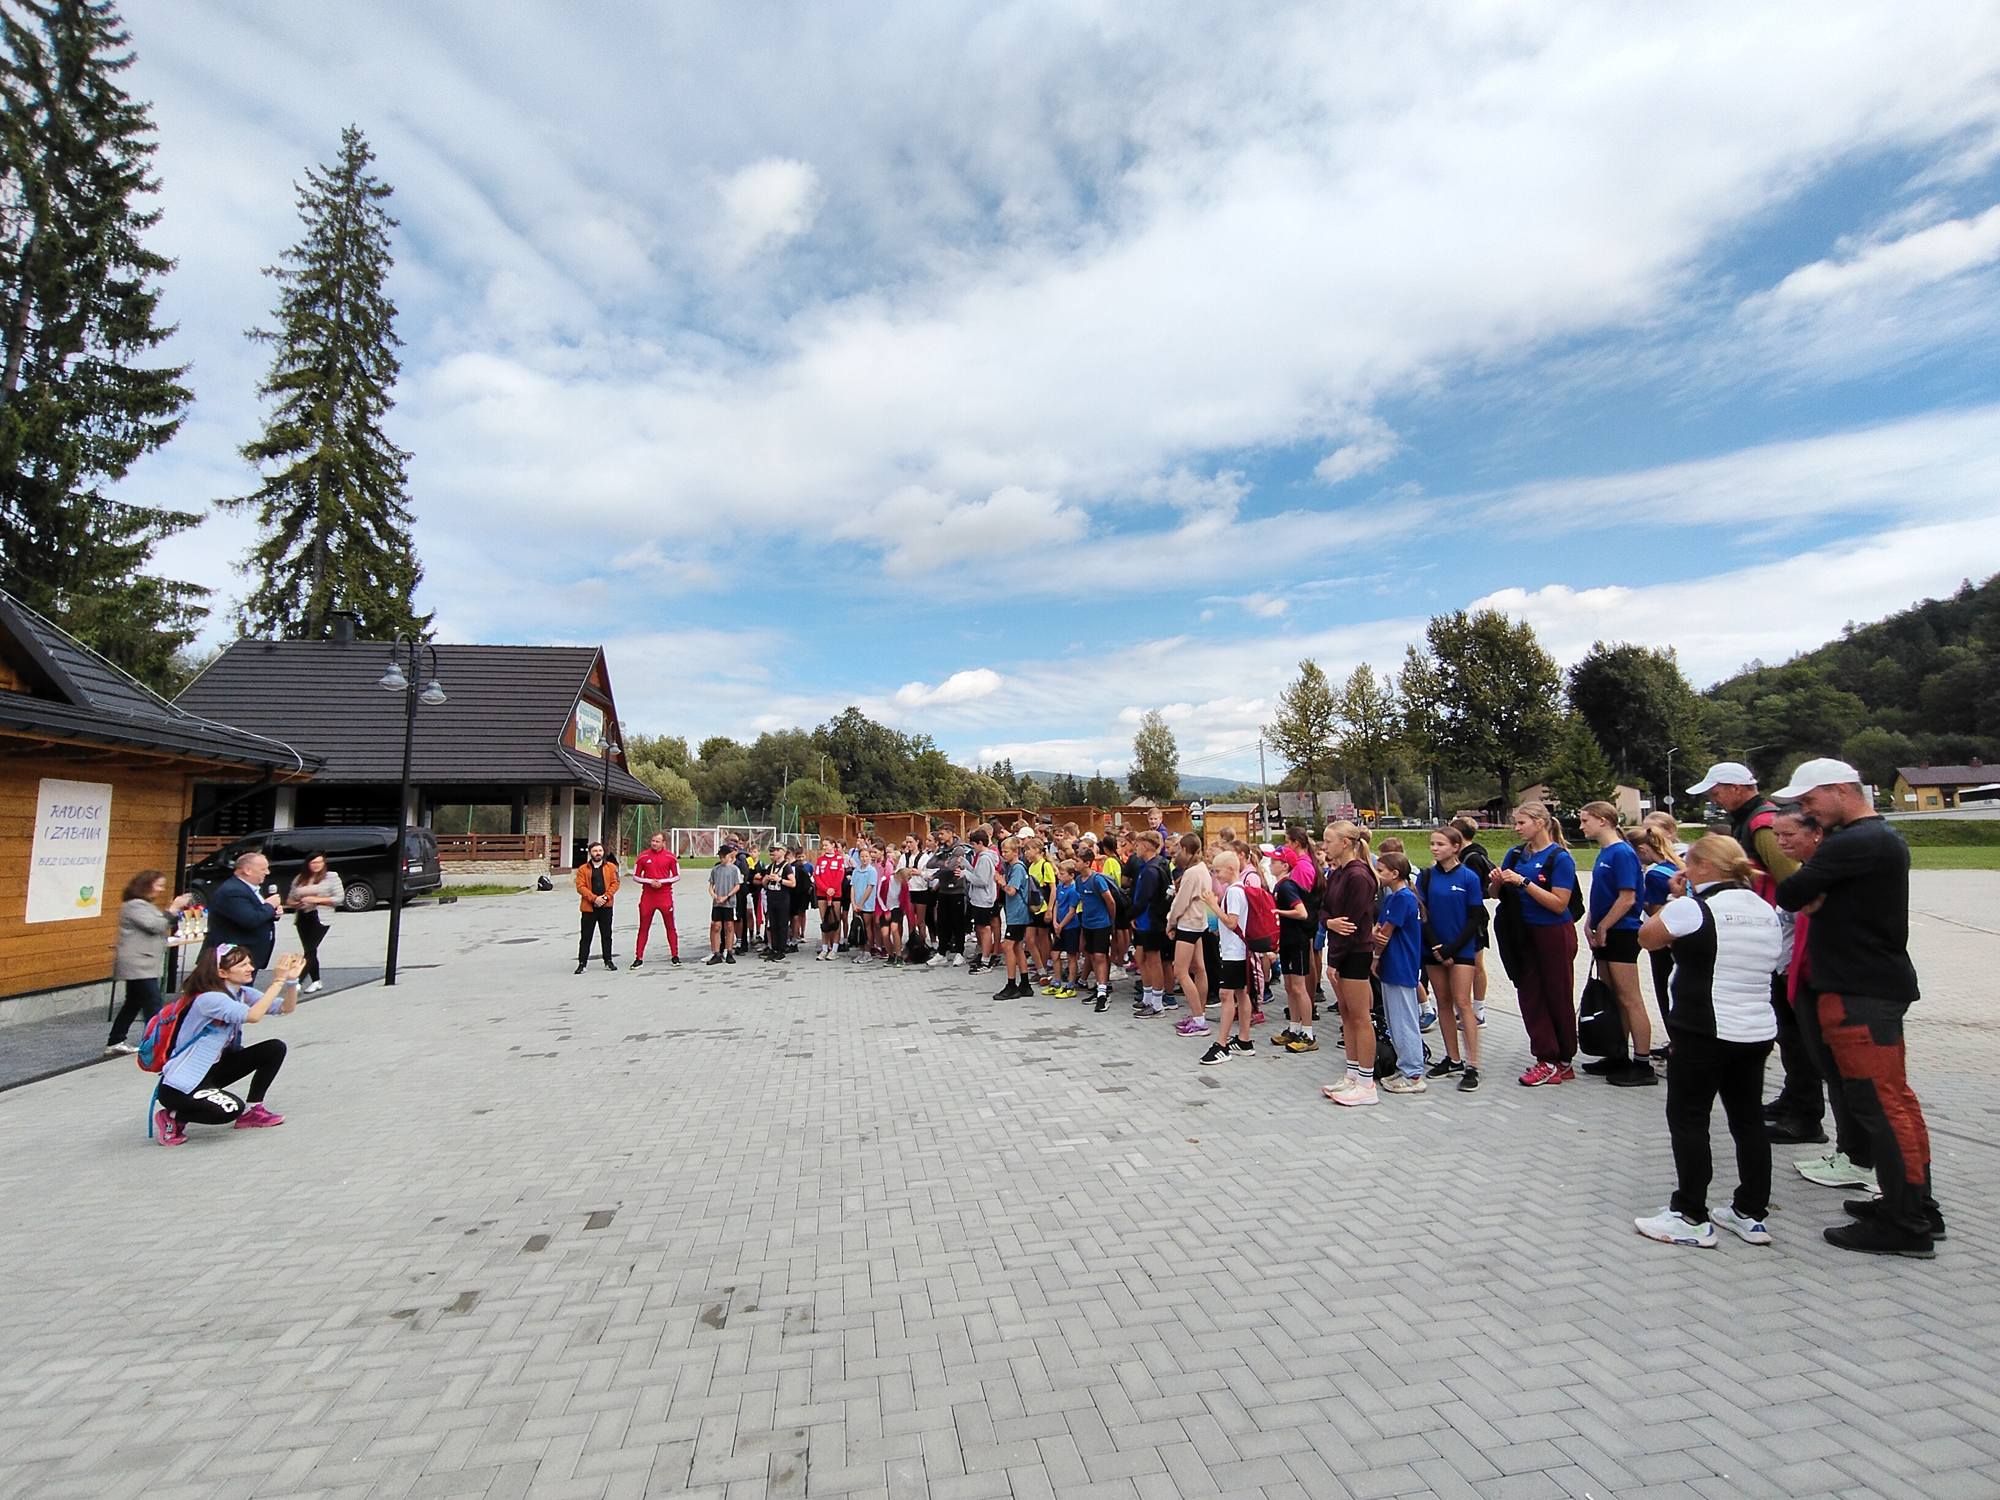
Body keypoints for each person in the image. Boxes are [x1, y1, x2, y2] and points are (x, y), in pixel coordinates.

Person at [1772, 758, 1944, 1256]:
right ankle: (1915, 1206)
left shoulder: (1854, 841)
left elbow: (1790, 892)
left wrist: (1813, 889)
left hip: (1858, 992)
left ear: (1841, 790)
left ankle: (1905, 1222)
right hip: (1872, 987)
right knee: (1894, 1101)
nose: (1808, 812)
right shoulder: (1874, 838)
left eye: (1810, 801)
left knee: (1880, 1105)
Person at [1633, 834, 1783, 1249]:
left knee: (1689, 1119)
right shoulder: (1763, 908)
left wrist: (1675, 898)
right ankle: (1750, 1212)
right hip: (1755, 1029)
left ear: (1702, 867)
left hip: (1704, 1029)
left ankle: (1690, 1215)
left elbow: (1647, 937)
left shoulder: (1692, 907)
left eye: (1689, 863)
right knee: (1748, 1120)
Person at [153, 945, 305, 1145]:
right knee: (231, 1110)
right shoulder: (209, 998)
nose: (250, 968)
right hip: (182, 1085)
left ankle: (253, 1110)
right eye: (242, 965)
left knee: (274, 1048)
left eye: (249, 963)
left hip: (214, 1071)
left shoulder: (241, 993)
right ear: (222, 973)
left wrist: (291, 981)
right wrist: (278, 981)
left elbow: (286, 1007)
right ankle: (173, 1116)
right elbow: (253, 1016)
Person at [1490, 802, 1578, 1087]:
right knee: (1529, 993)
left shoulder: (1559, 858)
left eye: (1522, 823)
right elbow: (1496, 893)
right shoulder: (1516, 854)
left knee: (1558, 993)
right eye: (1516, 823)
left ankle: (1562, 1058)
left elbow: (1559, 904)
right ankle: (1546, 1056)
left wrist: (1524, 882)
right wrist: (1497, 881)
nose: (1517, 828)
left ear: (1540, 823)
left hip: (1553, 932)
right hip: (1521, 932)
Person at [1576, 802, 1656, 1087]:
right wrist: (1590, 922)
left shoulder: (1622, 852)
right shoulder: (1605, 852)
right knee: (1612, 996)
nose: (1581, 826)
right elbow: (1602, 894)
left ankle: (1643, 1062)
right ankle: (1617, 1052)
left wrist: (1604, 926)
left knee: (1629, 997)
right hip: (1606, 930)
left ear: (1603, 820)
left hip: (1621, 931)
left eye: (1585, 821)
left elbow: (1627, 897)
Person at [1418, 827, 1484, 1092]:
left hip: (1461, 949)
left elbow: (1476, 916)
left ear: (1456, 847)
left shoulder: (1468, 877)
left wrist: (1452, 949)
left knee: (1462, 1002)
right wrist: (1436, 945)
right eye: (1432, 844)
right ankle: (1453, 1058)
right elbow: (1422, 913)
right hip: (1433, 948)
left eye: (1441, 844)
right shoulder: (1426, 876)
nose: (1435, 848)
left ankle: (1473, 1064)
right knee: (1443, 1001)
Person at [1320, 821, 1378, 1106]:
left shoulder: (1359, 875)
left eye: (1328, 841)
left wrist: (1334, 960)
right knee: (1346, 1014)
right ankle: (1352, 1073)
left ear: (1345, 843)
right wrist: (1329, 922)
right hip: (1339, 952)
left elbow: (1351, 926)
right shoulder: (1337, 873)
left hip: (1354, 952)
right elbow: (1324, 911)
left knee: (1359, 1016)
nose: (1324, 847)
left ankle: (1366, 1083)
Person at [107, 870, 192, 1055]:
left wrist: (171, 912)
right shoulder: (134, 905)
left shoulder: (144, 905)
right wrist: (173, 909)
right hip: (138, 963)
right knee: (152, 1002)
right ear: (146, 885)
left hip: (144, 962)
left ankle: (116, 1041)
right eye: (158, 885)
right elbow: (155, 925)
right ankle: (158, 1044)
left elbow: (160, 923)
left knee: (133, 1003)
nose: (161, 890)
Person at [1372, 852, 1427, 1094]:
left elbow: (1384, 933)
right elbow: (1379, 929)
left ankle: (1413, 1072)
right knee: (1395, 1019)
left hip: (1400, 964)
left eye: (1381, 870)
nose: (1378, 874)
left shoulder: (1403, 898)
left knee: (1404, 1019)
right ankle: (1404, 1065)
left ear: (1395, 874)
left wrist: (1375, 955)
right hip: (1392, 964)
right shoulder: (1393, 897)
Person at [1197, 850, 1254, 1064]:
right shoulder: (1238, 889)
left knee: (1226, 995)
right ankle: (1244, 1040)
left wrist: (1213, 905)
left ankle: (1221, 1044)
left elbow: (1232, 922)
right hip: (1237, 949)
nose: (1215, 875)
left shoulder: (1234, 892)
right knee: (1241, 993)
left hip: (1234, 952)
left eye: (1218, 871)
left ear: (1231, 869)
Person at [204, 849, 284, 969]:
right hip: (233, 958)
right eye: (263, 869)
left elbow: (256, 912)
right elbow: (250, 919)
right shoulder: (233, 891)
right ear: (247, 870)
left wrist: (273, 913)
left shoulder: (248, 888)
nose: (267, 872)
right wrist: (269, 906)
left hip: (249, 954)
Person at [1270, 848, 1317, 1052]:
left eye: (1275, 862)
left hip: (1297, 941)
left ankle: (1308, 1033)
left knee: (1298, 987)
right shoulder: (1279, 886)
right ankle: (1294, 1027)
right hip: (1287, 941)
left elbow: (1302, 913)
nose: (1270, 864)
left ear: (1285, 866)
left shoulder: (1287, 886)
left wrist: (1278, 912)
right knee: (1289, 986)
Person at [1167, 834, 1214, 1036]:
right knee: (1198, 968)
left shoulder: (1191, 873)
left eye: (1178, 850)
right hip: (1199, 922)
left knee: (1180, 971)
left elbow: (1180, 903)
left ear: (1185, 850)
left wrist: (1170, 922)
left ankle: (1199, 1021)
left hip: (1188, 924)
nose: (1175, 854)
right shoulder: (1202, 869)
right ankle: (1198, 1013)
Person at [288, 852, 344, 993]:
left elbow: (338, 898)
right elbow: (289, 899)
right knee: (310, 950)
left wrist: (316, 900)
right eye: (313, 862)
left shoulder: (331, 877)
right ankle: (316, 981)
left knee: (311, 948)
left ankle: (298, 980)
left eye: (319, 862)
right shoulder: (300, 878)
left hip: (320, 916)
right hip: (303, 916)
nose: (316, 865)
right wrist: (297, 903)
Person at [631, 831, 681, 968]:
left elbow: (677, 875)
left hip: (664, 895)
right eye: (653, 841)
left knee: (670, 925)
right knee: (643, 927)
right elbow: (635, 876)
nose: (654, 843)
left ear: (663, 843)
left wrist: (662, 882)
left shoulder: (670, 857)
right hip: (648, 896)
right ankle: (639, 957)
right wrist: (649, 881)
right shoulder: (643, 856)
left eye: (657, 841)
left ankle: (675, 955)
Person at [573, 840, 619, 972]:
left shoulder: (611, 867)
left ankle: (608, 960)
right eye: (595, 851)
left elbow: (615, 883)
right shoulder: (583, 869)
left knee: (606, 934)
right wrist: (593, 898)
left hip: (606, 906)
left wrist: (605, 897)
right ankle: (582, 963)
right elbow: (580, 886)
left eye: (600, 851)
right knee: (586, 936)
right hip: (589, 907)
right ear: (590, 853)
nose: (598, 853)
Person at [963, 828, 1001, 973]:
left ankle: (985, 960)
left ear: (980, 843)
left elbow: (982, 880)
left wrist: (966, 874)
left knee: (985, 929)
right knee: (980, 927)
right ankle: (983, 956)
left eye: (973, 844)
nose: (973, 848)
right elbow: (977, 873)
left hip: (983, 899)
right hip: (978, 899)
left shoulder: (985, 858)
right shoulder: (983, 857)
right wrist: (966, 866)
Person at [706, 846, 742, 964]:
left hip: (729, 903)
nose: (722, 859)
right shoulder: (716, 869)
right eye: (720, 857)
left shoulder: (734, 869)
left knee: (730, 926)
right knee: (716, 926)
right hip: (717, 903)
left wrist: (727, 896)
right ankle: (717, 953)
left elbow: (737, 885)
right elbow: (711, 885)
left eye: (724, 856)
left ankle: (729, 951)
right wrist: (714, 895)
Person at [763, 843, 796, 961]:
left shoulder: (786, 866)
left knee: (782, 925)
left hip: (782, 899)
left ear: (784, 852)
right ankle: (774, 948)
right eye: (774, 850)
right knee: (773, 925)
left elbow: (793, 883)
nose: (775, 852)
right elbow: (764, 883)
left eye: (777, 850)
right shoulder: (771, 866)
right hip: (772, 898)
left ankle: (781, 950)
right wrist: (766, 879)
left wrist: (780, 880)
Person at [814, 840, 845, 959]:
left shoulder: (839, 859)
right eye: (823, 845)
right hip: (822, 893)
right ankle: (825, 948)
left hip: (835, 894)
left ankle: (835, 949)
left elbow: (840, 876)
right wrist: (826, 889)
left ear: (833, 845)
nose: (824, 847)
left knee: (835, 921)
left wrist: (832, 890)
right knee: (825, 921)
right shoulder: (820, 860)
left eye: (826, 845)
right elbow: (817, 876)